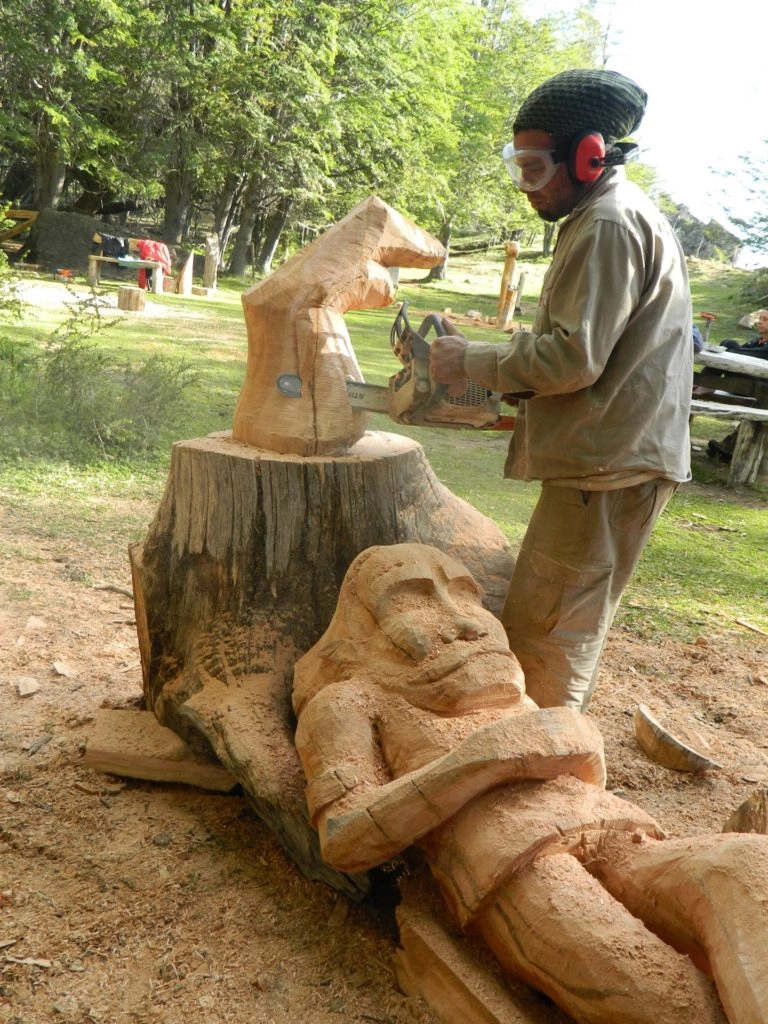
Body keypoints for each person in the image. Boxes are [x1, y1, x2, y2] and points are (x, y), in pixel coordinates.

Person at [293, 543, 768, 1024]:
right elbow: (343, 837)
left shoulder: (501, 684)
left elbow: (581, 772)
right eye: (414, 602)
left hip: (618, 831)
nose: (465, 623)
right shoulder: (347, 701)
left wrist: (579, 741)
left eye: (467, 597)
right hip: (514, 866)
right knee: (676, 1002)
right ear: (362, 627)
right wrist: (481, 761)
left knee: (747, 864)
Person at [429, 69, 692, 711]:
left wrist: (474, 362)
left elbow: (574, 358)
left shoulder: (607, 223)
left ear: (587, 155)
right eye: (519, 168)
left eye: (535, 169)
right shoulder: (602, 215)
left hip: (608, 464)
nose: (527, 188)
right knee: (564, 621)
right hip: (609, 454)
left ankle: (540, 775)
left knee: (549, 634)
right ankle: (545, 755)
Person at [706, 308, 768, 461]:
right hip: (747, 385)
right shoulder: (756, 341)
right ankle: (703, 382)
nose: (760, 321)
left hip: (759, 389)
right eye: (760, 318)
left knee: (729, 343)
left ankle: (731, 447)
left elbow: (739, 353)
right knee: (729, 343)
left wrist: (729, 347)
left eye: (765, 319)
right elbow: (740, 352)